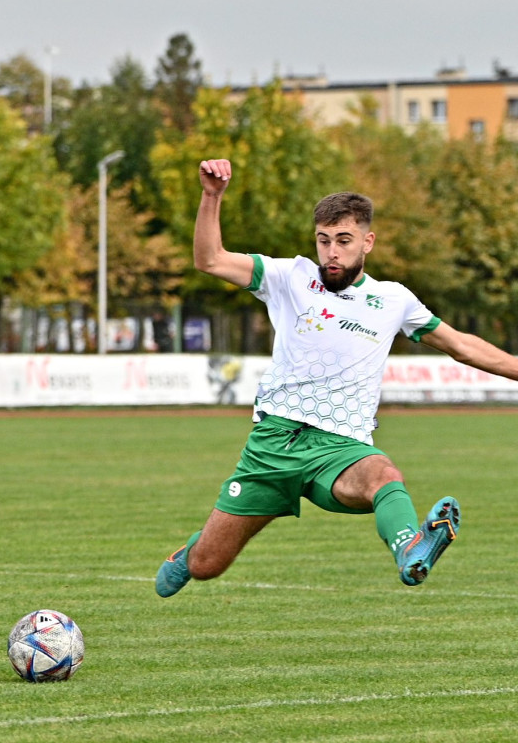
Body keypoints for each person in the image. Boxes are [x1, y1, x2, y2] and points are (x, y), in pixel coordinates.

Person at [155, 157, 518, 600]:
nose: (331, 251)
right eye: (324, 240)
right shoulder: (289, 276)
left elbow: (462, 345)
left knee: (384, 475)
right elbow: (209, 259)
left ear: (367, 242)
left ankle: (411, 549)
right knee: (208, 566)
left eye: (343, 240)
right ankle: (188, 555)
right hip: (274, 445)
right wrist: (212, 196)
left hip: (341, 446)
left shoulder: (393, 300)